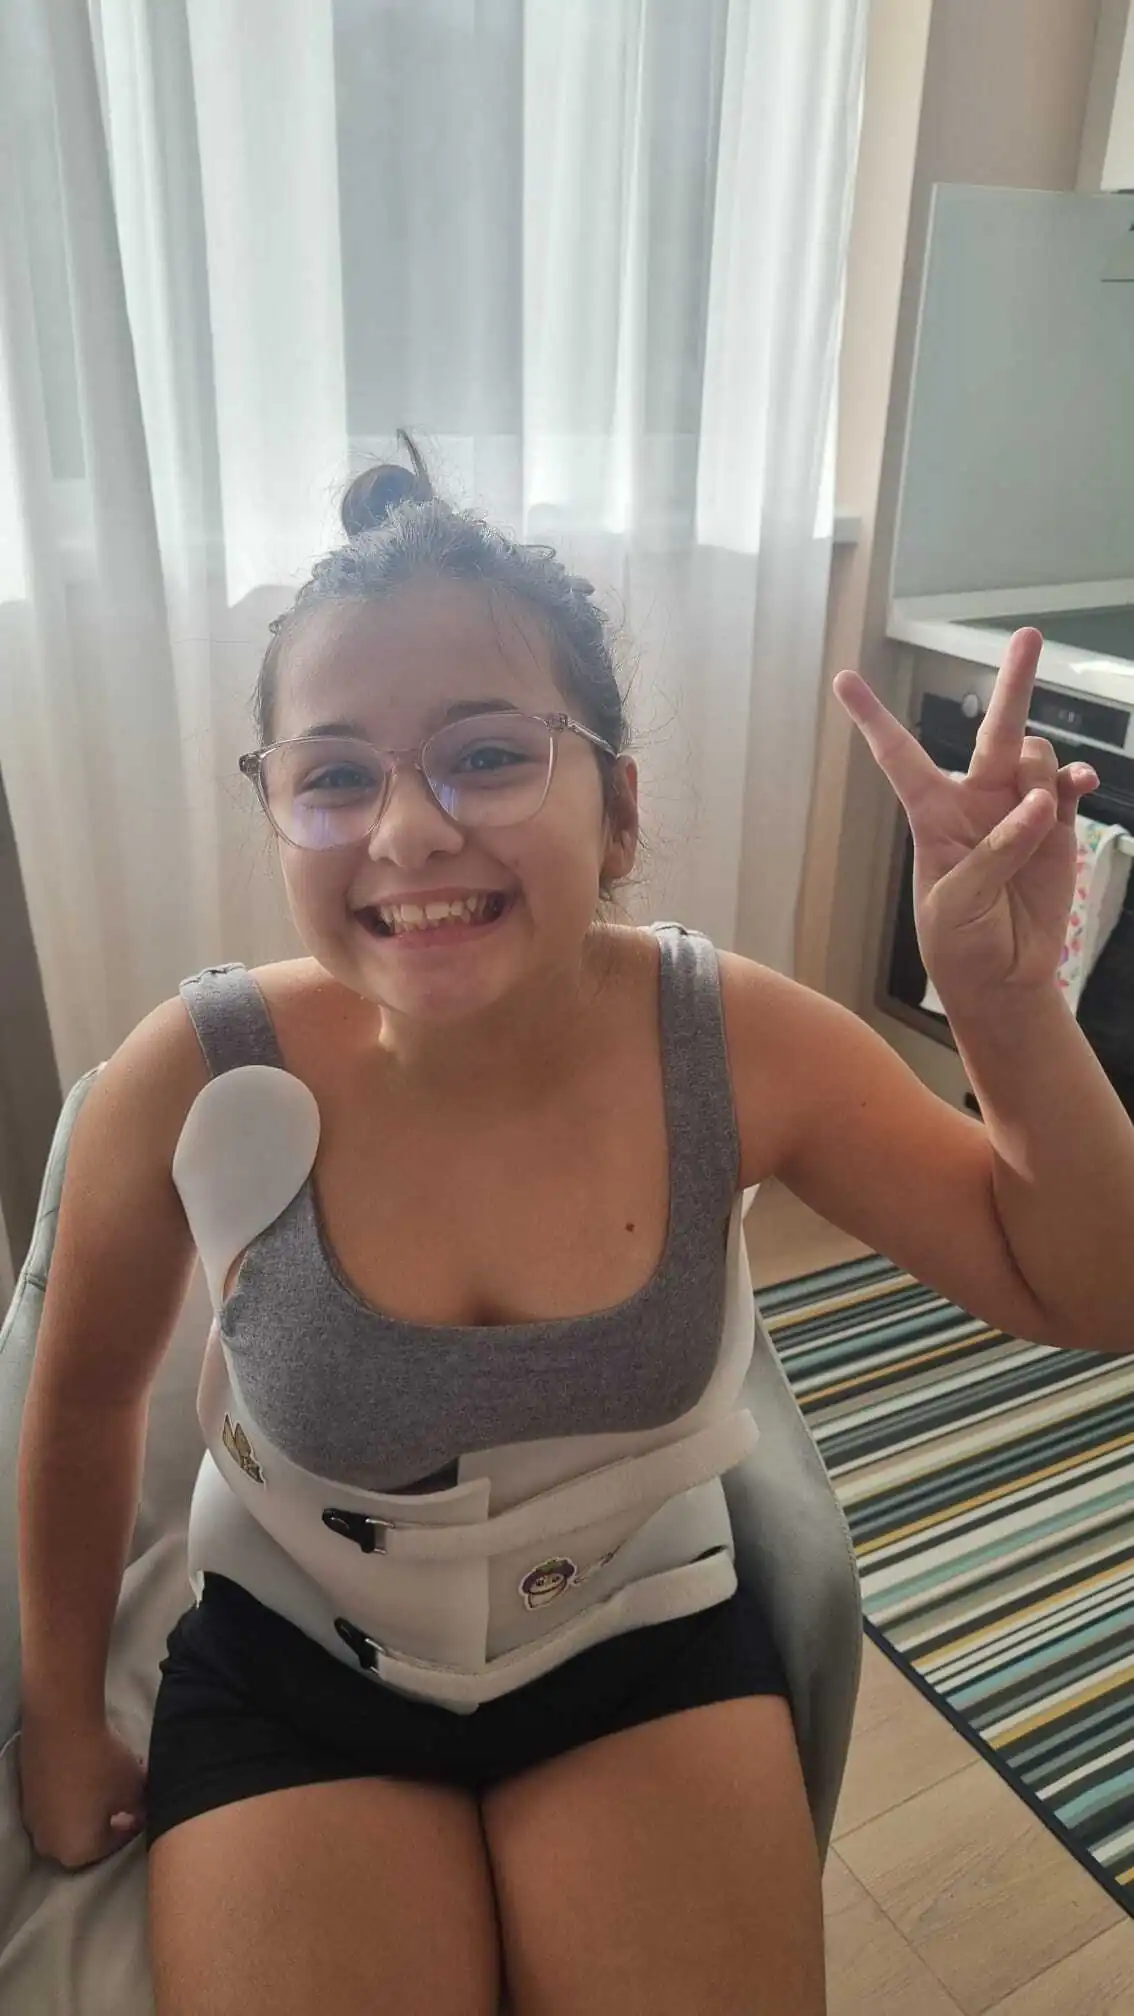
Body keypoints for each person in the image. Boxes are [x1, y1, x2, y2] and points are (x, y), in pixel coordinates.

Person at [16, 434, 1133, 2016]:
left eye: (487, 754)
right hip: (291, 1672)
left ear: (616, 809)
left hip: (638, 1647)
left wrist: (1006, 1011)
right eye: (333, 775)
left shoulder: (735, 1042)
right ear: (275, 815)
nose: (409, 831)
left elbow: (1088, 1290)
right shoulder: (187, 1079)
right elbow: (78, 1400)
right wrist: (65, 1722)